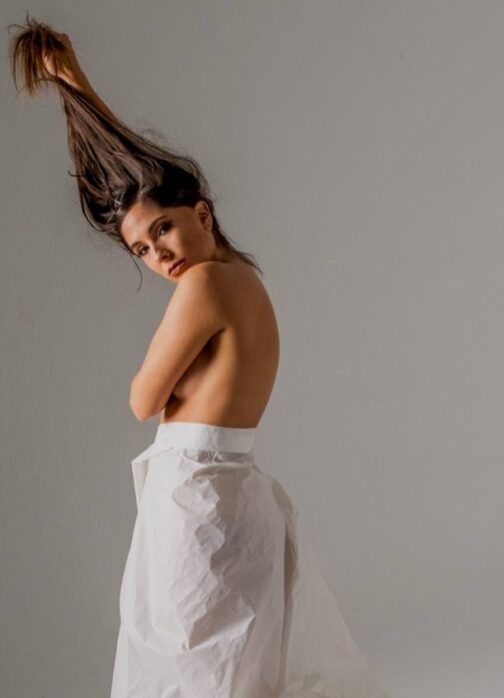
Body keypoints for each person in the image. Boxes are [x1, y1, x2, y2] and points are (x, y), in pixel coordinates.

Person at [8, 16, 391, 698]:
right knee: (235, 673)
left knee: (193, 676)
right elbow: (141, 174)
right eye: (142, 249)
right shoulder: (244, 279)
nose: (159, 255)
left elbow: (141, 400)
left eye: (164, 229)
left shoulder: (205, 286)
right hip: (231, 497)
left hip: (199, 503)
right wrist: (75, 85)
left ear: (202, 214)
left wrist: (76, 86)